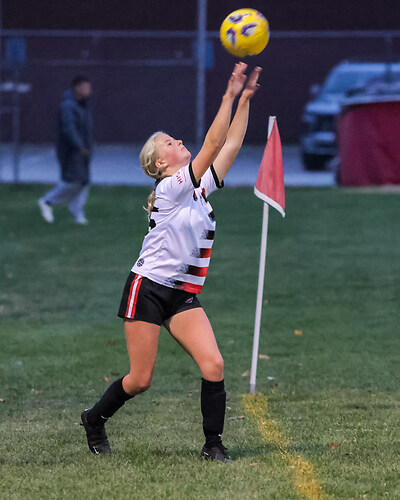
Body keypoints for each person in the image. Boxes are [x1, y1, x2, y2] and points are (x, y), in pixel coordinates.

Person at [80, 62, 261, 462]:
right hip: (146, 289)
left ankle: (213, 445)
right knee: (140, 380)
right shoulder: (169, 188)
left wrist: (245, 100)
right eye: (168, 143)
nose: (177, 140)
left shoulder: (196, 189)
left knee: (214, 364)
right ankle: (93, 419)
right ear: (160, 164)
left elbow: (230, 145)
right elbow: (212, 144)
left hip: (181, 294)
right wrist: (228, 96)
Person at [38, 75, 93, 225]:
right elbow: (69, 127)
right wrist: (79, 145)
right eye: (86, 87)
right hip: (72, 151)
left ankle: (77, 214)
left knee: (83, 182)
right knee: (74, 181)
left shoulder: (83, 105)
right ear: (77, 87)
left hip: (83, 149)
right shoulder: (68, 106)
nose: (89, 90)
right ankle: (48, 201)